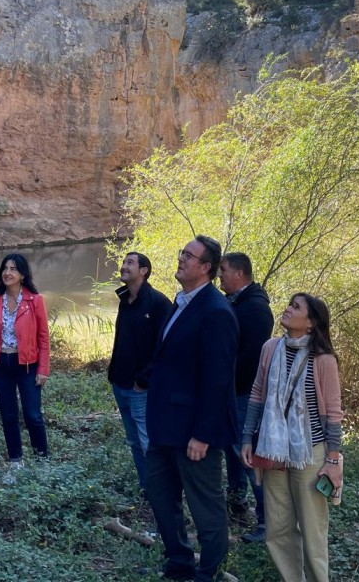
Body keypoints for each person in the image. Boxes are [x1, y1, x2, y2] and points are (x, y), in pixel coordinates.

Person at [144, 235, 238, 582]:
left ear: (206, 268)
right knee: (159, 494)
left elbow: (218, 380)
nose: (181, 259)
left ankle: (209, 572)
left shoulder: (216, 311)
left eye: (189, 255)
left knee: (205, 506)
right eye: (181, 252)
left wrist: (202, 434)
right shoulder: (180, 301)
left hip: (194, 433)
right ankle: (179, 563)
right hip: (164, 426)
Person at [241, 293, 344, 582]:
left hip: (310, 452)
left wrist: (333, 459)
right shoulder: (270, 348)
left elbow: (333, 412)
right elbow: (258, 393)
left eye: (296, 307)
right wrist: (248, 437)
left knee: (312, 528)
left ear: (311, 323)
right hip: (273, 450)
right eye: (289, 304)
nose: (287, 309)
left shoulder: (323, 359)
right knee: (278, 527)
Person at [0, 253, 50, 482]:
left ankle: (42, 461)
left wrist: (43, 369)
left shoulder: (35, 300)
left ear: (23, 274)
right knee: (8, 415)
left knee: (32, 414)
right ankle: (15, 462)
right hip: (1, 364)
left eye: (13, 269)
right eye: (5, 268)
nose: (7, 273)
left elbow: (43, 338)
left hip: (28, 364)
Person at [219, 252, 274, 542]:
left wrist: (227, 380)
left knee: (249, 456)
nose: (220, 277)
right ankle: (237, 501)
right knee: (232, 450)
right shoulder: (237, 302)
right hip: (232, 393)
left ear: (239, 274)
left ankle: (267, 522)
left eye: (224, 271)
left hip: (245, 394)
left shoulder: (255, 308)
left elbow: (252, 358)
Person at [108, 251, 172, 493]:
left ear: (144, 271)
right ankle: (148, 490)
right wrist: (113, 374)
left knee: (148, 443)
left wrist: (143, 381)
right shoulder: (125, 299)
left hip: (141, 389)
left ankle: (163, 494)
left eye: (130, 263)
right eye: (124, 262)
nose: (124, 266)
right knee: (134, 441)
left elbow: (164, 348)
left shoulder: (158, 303)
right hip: (120, 383)